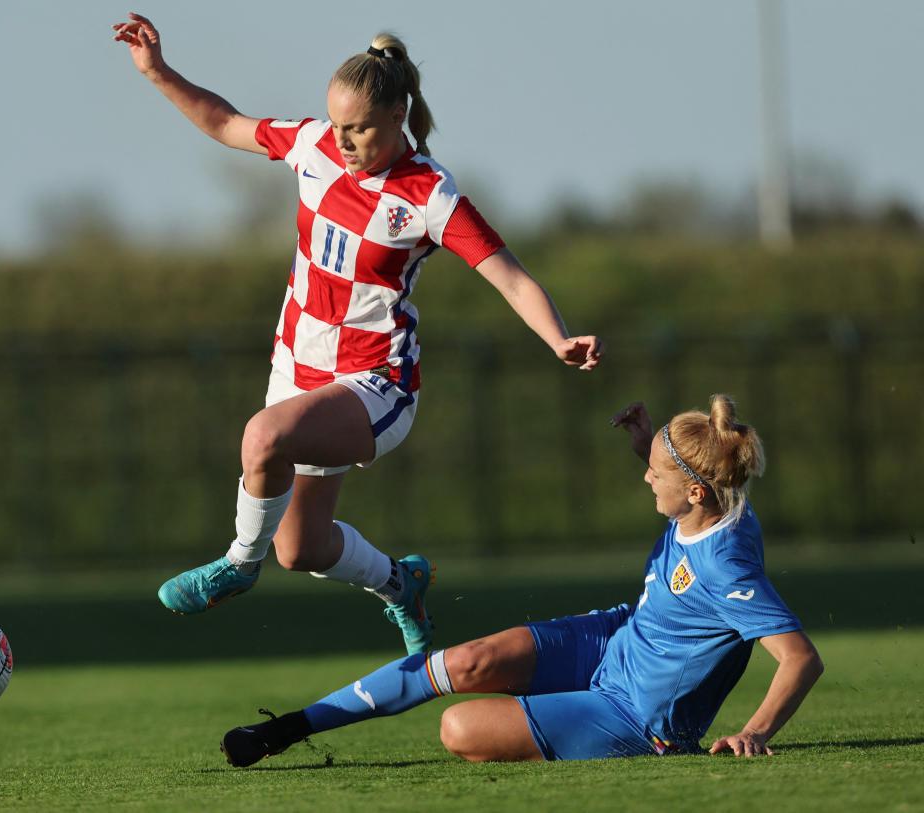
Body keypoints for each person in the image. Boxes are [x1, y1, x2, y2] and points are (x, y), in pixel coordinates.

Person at [114, 13, 602, 654]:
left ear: (399, 114)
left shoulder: (429, 195)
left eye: (360, 128)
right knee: (301, 548)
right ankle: (404, 585)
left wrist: (557, 337)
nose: (343, 141)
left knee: (263, 439)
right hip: (298, 367)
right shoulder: (313, 145)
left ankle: (236, 564)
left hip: (375, 381)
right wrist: (157, 72)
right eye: (338, 125)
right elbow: (224, 122)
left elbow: (509, 277)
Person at [220, 395, 824, 765]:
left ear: (694, 491)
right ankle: (293, 727)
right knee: (475, 659)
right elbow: (677, 482)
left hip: (638, 714)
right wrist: (648, 444)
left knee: (458, 728)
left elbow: (799, 658)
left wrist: (753, 732)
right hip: (620, 640)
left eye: (656, 472)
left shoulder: (726, 563)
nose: (646, 478)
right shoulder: (713, 503)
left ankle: (566, 718)